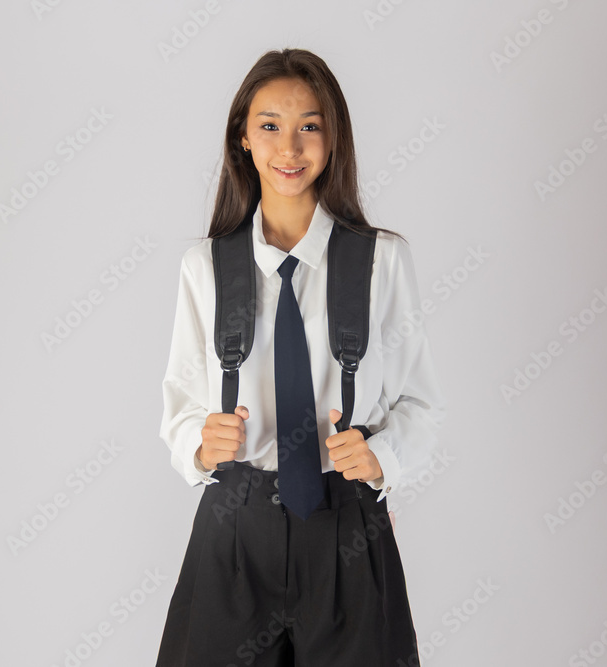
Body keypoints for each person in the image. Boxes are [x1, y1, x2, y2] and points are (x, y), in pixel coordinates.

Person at [156, 47, 446, 666]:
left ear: (333, 137)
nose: (289, 147)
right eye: (270, 125)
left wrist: (383, 455)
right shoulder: (205, 267)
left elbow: (421, 403)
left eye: (309, 126)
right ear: (243, 137)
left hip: (347, 527)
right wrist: (201, 445)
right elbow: (180, 408)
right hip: (234, 532)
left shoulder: (381, 261)